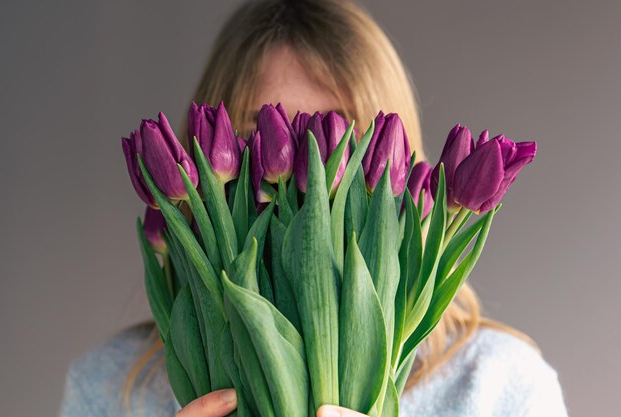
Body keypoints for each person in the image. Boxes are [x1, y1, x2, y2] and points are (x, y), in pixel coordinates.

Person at [58, 1, 569, 416]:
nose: (312, 172)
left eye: (338, 132)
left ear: (398, 159)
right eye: (264, 129)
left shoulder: (498, 386)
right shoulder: (111, 387)